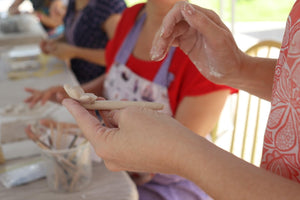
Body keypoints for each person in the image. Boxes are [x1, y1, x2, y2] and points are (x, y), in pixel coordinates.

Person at [62, 1, 300, 199]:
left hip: (170, 186)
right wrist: (240, 69)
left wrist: (178, 153)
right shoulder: (133, 18)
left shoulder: (194, 42)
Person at [25, 1, 236, 199]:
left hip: (167, 184)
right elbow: (117, 75)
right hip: (117, 159)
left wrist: (85, 136)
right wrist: (77, 96)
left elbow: (183, 152)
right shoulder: (131, 17)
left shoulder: (207, 44)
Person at [24, 0, 127, 107]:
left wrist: (74, 52)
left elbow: (121, 59)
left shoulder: (109, 6)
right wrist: (55, 43)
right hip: (78, 84)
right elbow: (72, 35)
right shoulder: (74, 3)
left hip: (100, 95)